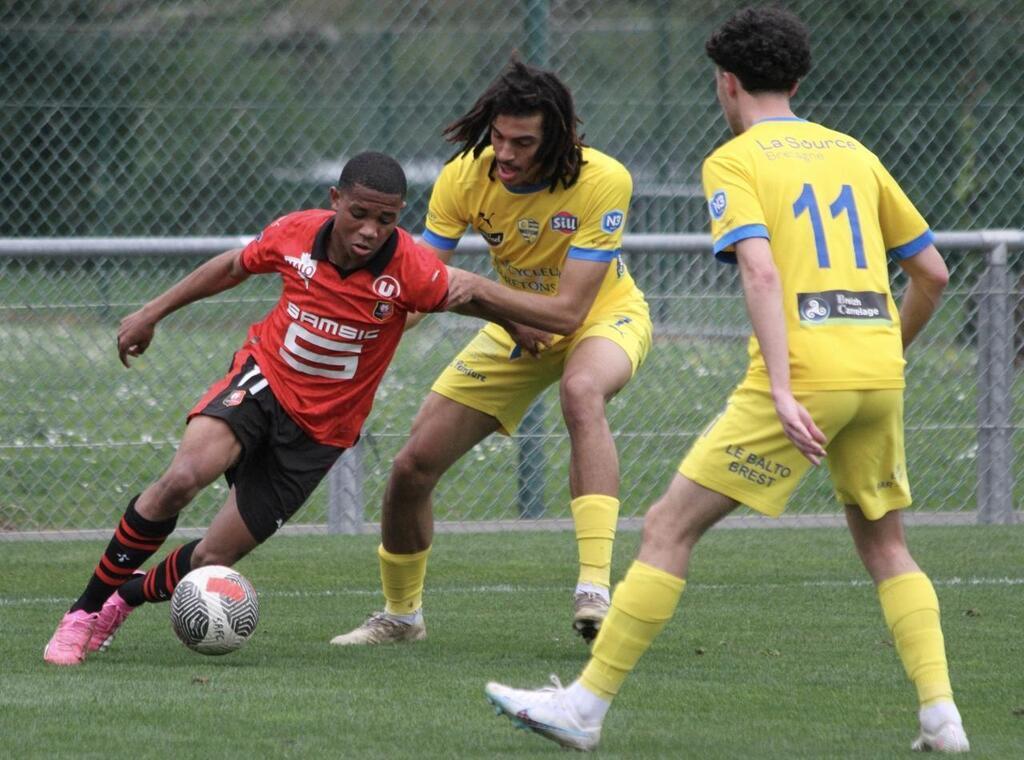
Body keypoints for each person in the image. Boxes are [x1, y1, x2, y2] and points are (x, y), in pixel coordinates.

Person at [482, 6, 968, 754]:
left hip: (806, 375)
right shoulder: (853, 152)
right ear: (797, 80)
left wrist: (782, 386)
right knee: (887, 547)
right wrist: (886, 353)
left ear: (726, 82)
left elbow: (762, 270)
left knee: (668, 527)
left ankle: (583, 708)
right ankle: (942, 716)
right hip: (876, 371)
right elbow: (932, 272)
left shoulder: (735, 159)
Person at [43, 152, 464, 665]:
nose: (370, 230)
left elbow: (476, 293)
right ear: (336, 201)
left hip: (321, 436)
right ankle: (82, 613)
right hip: (264, 380)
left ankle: (121, 601)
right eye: (359, 213)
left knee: (213, 558)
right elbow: (231, 266)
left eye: (386, 219)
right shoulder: (296, 233)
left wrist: (528, 322)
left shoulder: (412, 268)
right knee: (182, 478)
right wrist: (151, 311)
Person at [330, 56, 652, 647]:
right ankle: (401, 617)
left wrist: (482, 291)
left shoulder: (604, 179)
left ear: (558, 137)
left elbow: (569, 312)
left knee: (581, 391)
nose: (504, 153)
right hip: (513, 327)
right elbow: (424, 283)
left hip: (603, 317)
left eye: (523, 142)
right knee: (409, 469)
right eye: (499, 137)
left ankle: (594, 589)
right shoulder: (465, 176)